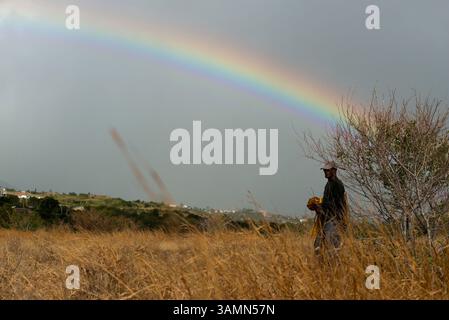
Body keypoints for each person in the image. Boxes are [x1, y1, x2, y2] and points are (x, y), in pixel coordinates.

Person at [313, 160, 348, 256]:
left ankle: (334, 267)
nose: (325, 172)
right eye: (324, 170)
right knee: (318, 244)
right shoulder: (328, 184)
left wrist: (321, 208)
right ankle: (322, 266)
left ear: (334, 170)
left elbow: (338, 204)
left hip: (335, 220)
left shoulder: (337, 184)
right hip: (327, 219)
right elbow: (327, 202)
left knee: (331, 247)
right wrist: (318, 207)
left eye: (328, 170)